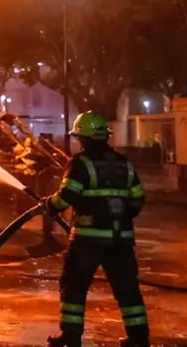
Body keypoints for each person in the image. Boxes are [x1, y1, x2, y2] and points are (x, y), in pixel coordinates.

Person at [46, 112, 149, 347]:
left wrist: (48, 204)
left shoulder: (80, 163)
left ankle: (71, 338)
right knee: (128, 290)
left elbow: (66, 197)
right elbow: (138, 199)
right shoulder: (124, 163)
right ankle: (139, 339)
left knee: (74, 286)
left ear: (82, 137)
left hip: (87, 241)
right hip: (121, 240)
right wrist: (121, 216)